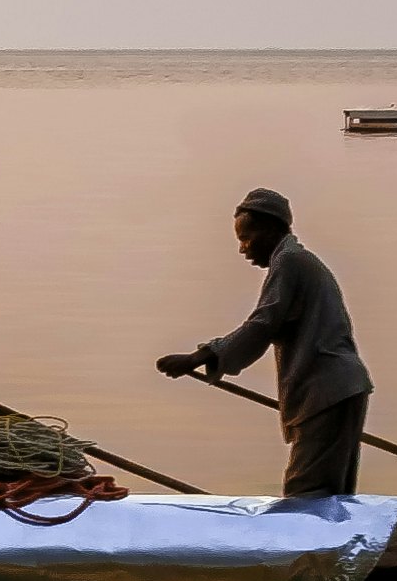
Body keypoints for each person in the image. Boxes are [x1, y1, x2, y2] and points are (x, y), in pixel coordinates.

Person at [154, 186, 374, 498]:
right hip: (337, 389)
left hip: (329, 389)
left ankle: (304, 546)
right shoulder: (295, 261)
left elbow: (264, 323)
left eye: (246, 237)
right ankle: (326, 546)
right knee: (328, 493)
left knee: (307, 491)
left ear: (271, 229)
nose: (243, 249)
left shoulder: (290, 261)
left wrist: (199, 356)